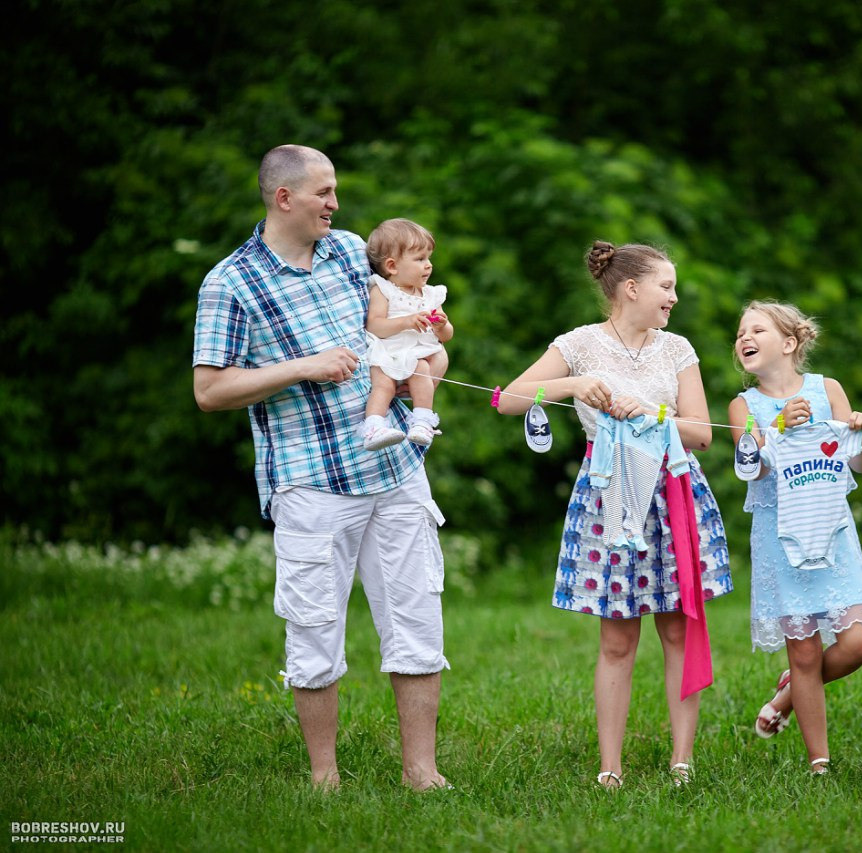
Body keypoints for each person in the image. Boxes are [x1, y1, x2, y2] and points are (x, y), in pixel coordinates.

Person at [192, 145, 451, 791]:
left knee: (417, 619)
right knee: (313, 630)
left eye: (335, 192)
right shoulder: (231, 282)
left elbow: (397, 319)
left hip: (394, 468)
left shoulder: (349, 251)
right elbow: (209, 390)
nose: (335, 204)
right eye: (323, 192)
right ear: (285, 198)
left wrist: (429, 340)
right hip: (309, 481)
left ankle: (422, 772)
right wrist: (302, 366)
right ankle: (324, 778)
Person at [496, 241, 733, 788]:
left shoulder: (677, 349)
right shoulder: (578, 345)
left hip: (671, 491)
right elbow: (508, 399)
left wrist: (653, 414)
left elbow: (702, 433)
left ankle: (682, 763)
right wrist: (573, 385)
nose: (674, 298)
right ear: (632, 288)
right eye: (666, 287)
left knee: (679, 627)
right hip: (608, 500)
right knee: (617, 639)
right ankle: (610, 769)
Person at [728, 300, 862, 776]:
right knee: (804, 649)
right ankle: (820, 763)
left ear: (790, 343)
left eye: (757, 329)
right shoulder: (743, 405)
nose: (744, 338)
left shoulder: (826, 389)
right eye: (740, 333)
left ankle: (791, 691)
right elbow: (747, 467)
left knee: (859, 641)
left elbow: (859, 464)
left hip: (831, 531)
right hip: (780, 536)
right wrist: (777, 426)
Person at [360, 218, 454, 452]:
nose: (428, 265)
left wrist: (441, 325)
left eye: (428, 258)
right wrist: (407, 321)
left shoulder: (431, 295)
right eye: (420, 259)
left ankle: (421, 421)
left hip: (417, 355)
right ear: (392, 266)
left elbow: (447, 336)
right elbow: (374, 325)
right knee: (383, 385)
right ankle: (373, 427)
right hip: (387, 351)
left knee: (421, 368)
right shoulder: (383, 289)